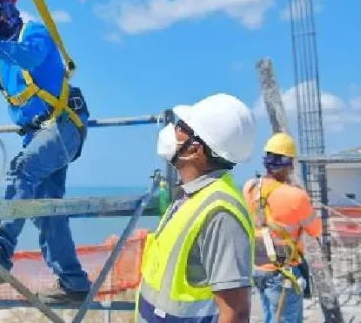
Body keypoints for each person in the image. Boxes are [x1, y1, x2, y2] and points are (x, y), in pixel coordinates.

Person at [0, 0, 92, 303]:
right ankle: (73, 282)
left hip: (64, 126)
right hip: (36, 133)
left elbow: (29, 59)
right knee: (46, 211)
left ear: (9, 6)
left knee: (21, 170)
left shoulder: (35, 33)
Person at [136, 93, 255, 323]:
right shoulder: (192, 196)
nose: (173, 130)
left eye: (181, 127)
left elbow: (236, 313)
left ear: (195, 150)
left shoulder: (220, 214)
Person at [243, 133, 321, 323]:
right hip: (283, 272)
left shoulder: (250, 187)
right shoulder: (296, 196)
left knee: (270, 317)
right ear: (289, 164)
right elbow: (315, 230)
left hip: (258, 268)